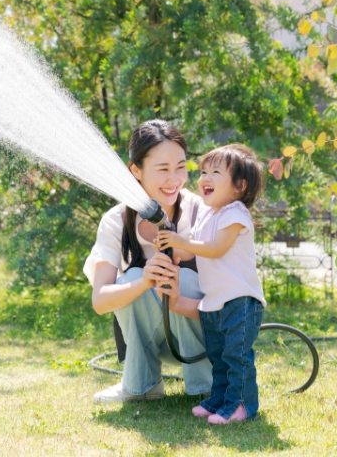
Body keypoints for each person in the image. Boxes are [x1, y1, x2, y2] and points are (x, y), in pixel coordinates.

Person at [84, 120, 213, 403]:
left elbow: (229, 293)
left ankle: (209, 384)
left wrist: (176, 290)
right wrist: (145, 280)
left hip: (201, 337)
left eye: (180, 167)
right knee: (130, 279)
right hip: (155, 340)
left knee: (184, 278)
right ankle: (141, 386)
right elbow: (100, 301)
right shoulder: (116, 221)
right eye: (163, 169)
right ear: (136, 170)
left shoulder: (201, 212)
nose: (174, 179)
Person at [155, 143, 266, 424]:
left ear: (240, 185)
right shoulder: (207, 214)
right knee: (218, 355)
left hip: (240, 300)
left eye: (216, 172)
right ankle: (220, 400)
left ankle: (242, 406)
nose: (205, 177)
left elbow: (216, 249)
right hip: (214, 301)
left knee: (236, 356)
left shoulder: (235, 213)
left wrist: (180, 241)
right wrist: (170, 248)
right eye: (204, 171)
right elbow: (191, 251)